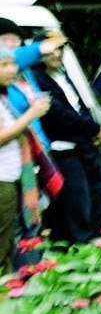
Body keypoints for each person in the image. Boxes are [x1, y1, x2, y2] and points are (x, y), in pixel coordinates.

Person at [31, 30, 101, 244]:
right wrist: (93, 129)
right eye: (51, 49)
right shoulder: (36, 78)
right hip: (62, 150)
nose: (57, 54)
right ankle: (78, 252)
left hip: (83, 146)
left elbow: (78, 108)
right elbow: (58, 115)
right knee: (76, 205)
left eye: (61, 48)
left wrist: (94, 128)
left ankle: (98, 245)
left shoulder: (62, 75)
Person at [0, 47, 50, 268]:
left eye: (13, 64)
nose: (12, 69)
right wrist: (31, 115)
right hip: (2, 180)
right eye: (4, 65)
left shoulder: (4, 97)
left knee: (10, 245)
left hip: (12, 177)